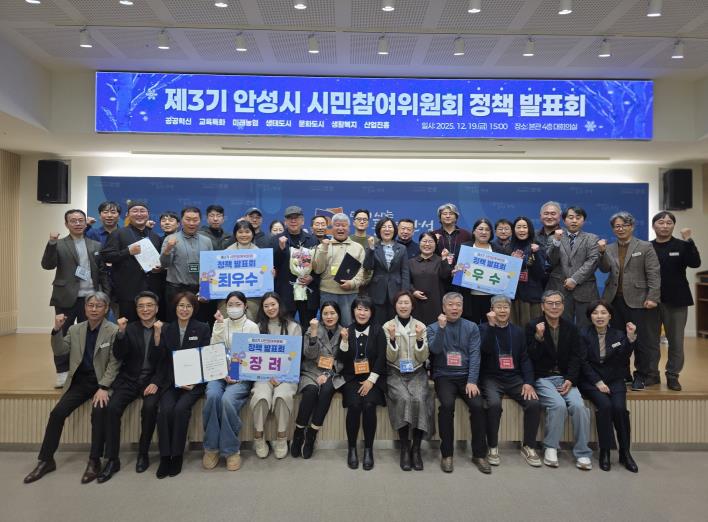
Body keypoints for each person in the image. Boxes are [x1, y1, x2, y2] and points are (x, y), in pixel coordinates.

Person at [24, 291, 120, 484]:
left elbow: (114, 363)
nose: (94, 309)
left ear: (106, 309)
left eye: (99, 306)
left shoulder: (113, 330)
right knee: (57, 413)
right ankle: (46, 460)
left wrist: (103, 387)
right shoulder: (76, 330)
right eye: (90, 305)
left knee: (99, 413)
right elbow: (60, 350)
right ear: (85, 308)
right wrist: (56, 330)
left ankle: (94, 460)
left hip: (101, 382)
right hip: (80, 382)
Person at [98, 291, 164, 482]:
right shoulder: (130, 328)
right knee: (112, 408)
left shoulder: (165, 328)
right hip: (129, 379)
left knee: (150, 408)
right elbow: (119, 355)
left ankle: (143, 453)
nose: (145, 309)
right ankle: (112, 459)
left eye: (149, 305)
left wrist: (156, 382)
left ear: (157, 308)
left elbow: (165, 362)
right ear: (136, 309)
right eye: (141, 306)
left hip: (151, 381)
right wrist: (121, 334)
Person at [526, 290, 592, 470]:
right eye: (550, 303)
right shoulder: (533, 325)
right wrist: (538, 338)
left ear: (563, 306)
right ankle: (551, 447)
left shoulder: (571, 327)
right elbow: (530, 357)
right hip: (543, 377)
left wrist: (570, 379)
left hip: (565, 378)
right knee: (558, 405)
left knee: (579, 407)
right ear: (542, 306)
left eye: (558, 303)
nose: (554, 307)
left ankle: (583, 452)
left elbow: (576, 357)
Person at [42, 209, 105, 388]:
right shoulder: (59, 244)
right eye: (73, 220)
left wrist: (102, 293)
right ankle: (62, 372)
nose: (77, 223)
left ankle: (87, 370)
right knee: (62, 334)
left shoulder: (95, 245)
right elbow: (47, 265)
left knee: (90, 335)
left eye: (80, 220)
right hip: (65, 297)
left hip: (90, 299)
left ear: (86, 223)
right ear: (66, 224)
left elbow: (101, 272)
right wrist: (51, 243)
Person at [598, 211, 661, 391]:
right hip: (613, 300)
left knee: (640, 341)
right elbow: (604, 269)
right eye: (617, 226)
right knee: (617, 340)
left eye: (624, 225)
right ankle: (623, 373)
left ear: (631, 226)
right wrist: (601, 253)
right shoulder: (609, 248)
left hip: (639, 300)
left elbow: (654, 273)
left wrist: (653, 297)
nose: (620, 229)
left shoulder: (645, 246)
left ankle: (641, 375)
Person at [427, 292, 488, 474]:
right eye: (451, 305)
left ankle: (479, 454)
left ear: (462, 307)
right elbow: (435, 350)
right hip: (443, 375)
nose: (454, 308)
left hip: (466, 376)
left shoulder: (471, 327)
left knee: (478, 405)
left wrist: (472, 380)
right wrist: (441, 328)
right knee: (446, 405)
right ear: (443, 307)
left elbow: (475, 355)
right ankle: (447, 454)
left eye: (458, 305)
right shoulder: (432, 327)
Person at [479, 295, 542, 468]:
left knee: (534, 403)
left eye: (505, 307)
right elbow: (484, 351)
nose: (502, 310)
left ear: (510, 310)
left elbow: (524, 359)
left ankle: (529, 446)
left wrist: (528, 382)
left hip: (514, 378)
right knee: (493, 405)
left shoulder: (518, 331)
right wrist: (491, 327)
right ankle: (492, 446)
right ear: (491, 310)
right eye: (498, 307)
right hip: (491, 377)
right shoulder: (482, 328)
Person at [154, 292, 210, 478]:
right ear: (175, 307)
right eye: (181, 306)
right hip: (171, 381)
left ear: (194, 309)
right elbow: (161, 359)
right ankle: (165, 456)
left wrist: (195, 380)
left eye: (188, 306)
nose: (184, 310)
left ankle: (177, 455)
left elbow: (206, 358)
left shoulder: (202, 328)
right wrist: (157, 336)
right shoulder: (166, 328)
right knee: (164, 411)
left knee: (180, 410)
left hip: (194, 383)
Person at [579, 300, 638, 473]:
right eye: (595, 313)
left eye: (603, 312)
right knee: (605, 406)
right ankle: (604, 451)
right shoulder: (582, 334)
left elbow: (623, 358)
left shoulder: (618, 335)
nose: (599, 316)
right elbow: (583, 362)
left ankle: (625, 452)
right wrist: (597, 382)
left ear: (610, 316)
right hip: (591, 380)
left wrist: (630, 338)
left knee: (619, 409)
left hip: (614, 379)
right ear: (590, 316)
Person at [202, 291, 259, 471]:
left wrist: (236, 374)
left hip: (241, 375)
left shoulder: (252, 327)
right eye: (230, 305)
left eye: (238, 304)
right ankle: (211, 448)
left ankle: (231, 450)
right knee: (212, 396)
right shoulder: (221, 323)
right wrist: (219, 325)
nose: (234, 308)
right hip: (219, 373)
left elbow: (253, 356)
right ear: (225, 307)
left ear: (245, 306)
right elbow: (213, 350)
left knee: (227, 400)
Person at [382, 291, 433, 471]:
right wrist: (392, 338)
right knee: (403, 399)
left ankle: (416, 449)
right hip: (395, 372)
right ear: (395, 305)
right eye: (400, 303)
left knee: (419, 398)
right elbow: (390, 357)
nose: (403, 306)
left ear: (412, 306)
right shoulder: (387, 326)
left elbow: (423, 357)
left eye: (407, 303)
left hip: (417, 372)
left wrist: (419, 339)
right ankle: (405, 447)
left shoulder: (421, 326)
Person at [651, 211, 702, 391]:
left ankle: (672, 375)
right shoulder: (647, 247)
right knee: (650, 341)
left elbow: (695, 263)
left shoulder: (682, 245)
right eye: (661, 222)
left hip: (677, 300)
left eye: (669, 223)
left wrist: (689, 240)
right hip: (652, 301)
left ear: (673, 225)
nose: (665, 226)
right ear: (654, 226)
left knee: (676, 342)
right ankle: (651, 374)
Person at [250, 292, 302, 459]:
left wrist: (280, 377)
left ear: (280, 305)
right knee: (260, 396)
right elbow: (253, 356)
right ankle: (258, 436)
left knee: (282, 396)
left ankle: (281, 437)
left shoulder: (294, 327)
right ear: (262, 308)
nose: (270, 308)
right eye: (266, 306)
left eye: (273, 304)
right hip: (263, 376)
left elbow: (295, 357)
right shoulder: (257, 328)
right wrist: (267, 375)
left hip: (286, 375)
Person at [337, 296, 386, 470]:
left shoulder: (378, 330)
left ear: (371, 312)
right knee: (355, 406)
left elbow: (381, 358)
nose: (362, 313)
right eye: (359, 309)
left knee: (369, 405)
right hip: (352, 377)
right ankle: (351, 449)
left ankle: (368, 450)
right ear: (353, 311)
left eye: (366, 309)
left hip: (373, 378)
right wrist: (344, 341)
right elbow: (342, 359)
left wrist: (371, 381)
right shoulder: (347, 330)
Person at [292, 301, 344, 459]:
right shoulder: (312, 329)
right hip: (311, 371)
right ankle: (299, 432)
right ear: (321, 315)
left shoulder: (344, 332)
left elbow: (343, 360)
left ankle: (311, 435)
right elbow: (309, 355)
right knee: (311, 391)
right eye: (325, 313)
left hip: (332, 373)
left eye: (332, 313)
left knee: (327, 391)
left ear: (338, 315)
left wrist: (328, 374)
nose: (329, 316)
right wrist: (314, 333)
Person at [101, 200, 163, 322]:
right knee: (128, 325)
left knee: (152, 324)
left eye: (142, 211)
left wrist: (160, 268)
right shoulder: (118, 233)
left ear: (148, 214)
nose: (139, 214)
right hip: (127, 291)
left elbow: (161, 260)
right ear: (128, 215)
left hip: (152, 290)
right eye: (135, 211)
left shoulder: (154, 236)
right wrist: (127, 251)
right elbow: (106, 256)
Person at [546, 206, 600, 328]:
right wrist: (556, 242)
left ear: (583, 221)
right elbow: (551, 261)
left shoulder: (592, 238)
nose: (574, 220)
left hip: (585, 290)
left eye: (578, 218)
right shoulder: (553, 238)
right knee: (563, 327)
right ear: (564, 220)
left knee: (586, 327)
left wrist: (575, 279)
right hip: (560, 289)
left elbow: (592, 261)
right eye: (570, 217)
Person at [159, 206, 213, 323]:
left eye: (195, 220)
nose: (191, 223)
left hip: (198, 291)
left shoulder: (207, 241)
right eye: (188, 219)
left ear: (200, 221)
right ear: (182, 221)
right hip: (176, 290)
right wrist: (168, 249)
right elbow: (164, 264)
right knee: (174, 324)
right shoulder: (170, 239)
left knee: (199, 324)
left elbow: (210, 269)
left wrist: (205, 291)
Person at [312, 213, 367, 326]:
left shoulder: (358, 248)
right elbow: (318, 270)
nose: (340, 228)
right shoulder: (322, 246)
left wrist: (353, 283)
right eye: (337, 225)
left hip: (350, 294)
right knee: (328, 326)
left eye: (344, 225)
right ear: (332, 227)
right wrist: (324, 249)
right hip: (327, 293)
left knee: (348, 325)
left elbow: (362, 270)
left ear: (349, 228)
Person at [271, 205, 320, 328]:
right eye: (290, 218)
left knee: (308, 328)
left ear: (302, 221)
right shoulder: (276, 240)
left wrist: (312, 277)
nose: (293, 221)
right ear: (285, 221)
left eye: (296, 218)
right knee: (285, 328)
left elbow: (319, 266)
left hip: (307, 293)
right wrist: (281, 250)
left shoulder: (313, 240)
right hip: (286, 293)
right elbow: (272, 267)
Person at [454, 218, 500, 325]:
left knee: (490, 327)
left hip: (491, 297)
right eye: (480, 229)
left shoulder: (498, 250)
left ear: (491, 233)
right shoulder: (464, 247)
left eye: (487, 230)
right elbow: (457, 271)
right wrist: (457, 272)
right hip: (469, 297)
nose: (484, 232)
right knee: (471, 327)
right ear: (474, 231)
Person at [363, 217, 410, 322]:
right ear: (379, 230)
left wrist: (405, 293)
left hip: (396, 291)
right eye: (384, 227)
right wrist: (371, 249)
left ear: (394, 230)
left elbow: (405, 272)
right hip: (377, 291)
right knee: (377, 322)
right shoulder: (373, 246)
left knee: (395, 322)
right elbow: (368, 267)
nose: (387, 229)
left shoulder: (402, 248)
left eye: (390, 227)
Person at [508, 216, 546, 327]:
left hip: (532, 297)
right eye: (518, 227)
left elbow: (540, 274)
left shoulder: (537, 246)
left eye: (524, 227)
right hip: (513, 296)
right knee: (514, 329)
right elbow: (504, 275)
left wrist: (536, 254)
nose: (521, 230)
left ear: (530, 229)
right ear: (514, 230)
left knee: (532, 330)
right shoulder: (508, 248)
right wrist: (513, 262)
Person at [408, 231, 453, 326]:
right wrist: (413, 291)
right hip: (415, 304)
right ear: (419, 243)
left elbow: (446, 276)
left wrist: (444, 259)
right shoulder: (410, 262)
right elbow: (406, 281)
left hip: (436, 304)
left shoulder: (440, 260)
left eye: (431, 241)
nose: (427, 244)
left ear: (436, 244)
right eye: (424, 241)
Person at [225, 219, 262, 321]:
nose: (244, 235)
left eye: (247, 232)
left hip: (252, 299)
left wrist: (269, 274)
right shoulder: (226, 253)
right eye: (240, 232)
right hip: (231, 297)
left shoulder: (260, 253)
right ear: (235, 234)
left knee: (251, 325)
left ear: (252, 234)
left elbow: (263, 275)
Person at [433, 203, 472, 269]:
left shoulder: (466, 234)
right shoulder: (433, 235)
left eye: (451, 214)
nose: (448, 216)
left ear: (456, 217)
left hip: (461, 270)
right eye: (445, 214)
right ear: (440, 217)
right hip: (438, 270)